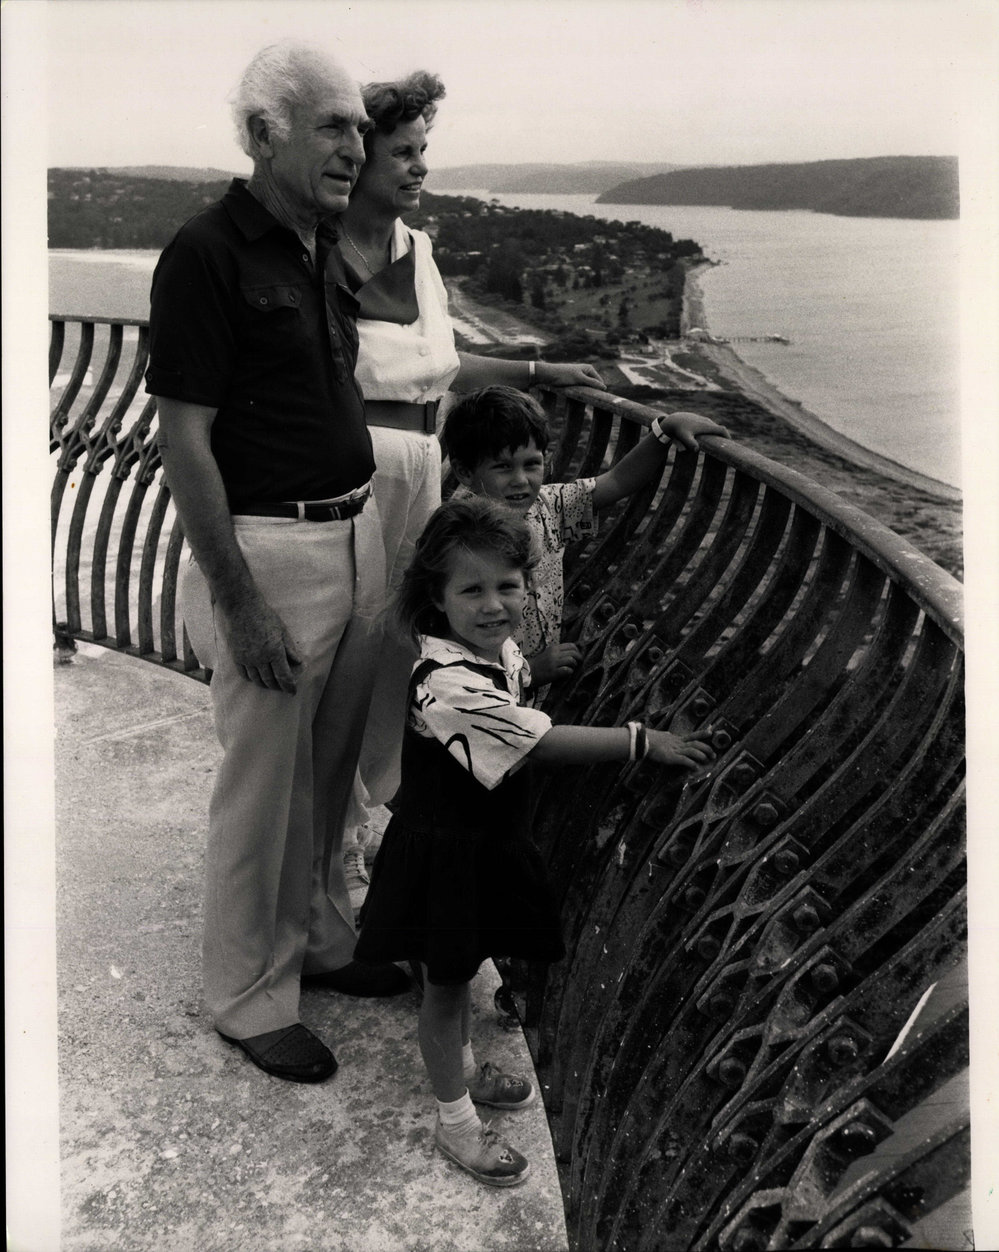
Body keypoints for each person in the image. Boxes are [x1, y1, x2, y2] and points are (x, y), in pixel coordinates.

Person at [145, 41, 408, 1086]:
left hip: (354, 536)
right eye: (333, 126)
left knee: (332, 773)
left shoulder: (317, 245)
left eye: (360, 124)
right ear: (264, 135)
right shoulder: (206, 253)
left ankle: (321, 937)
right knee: (264, 788)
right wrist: (237, 598)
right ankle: (250, 995)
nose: (358, 143)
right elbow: (184, 440)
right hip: (271, 551)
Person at [354, 496, 715, 1186]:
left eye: (507, 586)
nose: (493, 605)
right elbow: (538, 740)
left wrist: (536, 663)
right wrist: (641, 741)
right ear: (436, 597)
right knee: (444, 986)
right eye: (472, 590)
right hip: (447, 854)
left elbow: (517, 685)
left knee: (455, 975)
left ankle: (460, 1071)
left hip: (476, 842)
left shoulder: (488, 649)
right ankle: (455, 1123)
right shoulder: (446, 682)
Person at [335, 71, 607, 911]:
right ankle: (337, 840)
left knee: (397, 653)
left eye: (425, 150)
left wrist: (538, 368)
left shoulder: (417, 250)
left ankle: (377, 826)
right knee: (345, 650)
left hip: (419, 464)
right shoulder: (319, 251)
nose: (418, 166)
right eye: (401, 151)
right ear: (357, 153)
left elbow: (443, 368)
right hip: (355, 465)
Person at [444, 385, 729, 689]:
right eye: (503, 467)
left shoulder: (547, 506)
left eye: (532, 464)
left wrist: (664, 431)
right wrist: (527, 672)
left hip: (531, 688)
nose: (520, 480)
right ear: (464, 472)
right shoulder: (457, 534)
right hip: (485, 695)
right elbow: (449, 635)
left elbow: (617, 480)